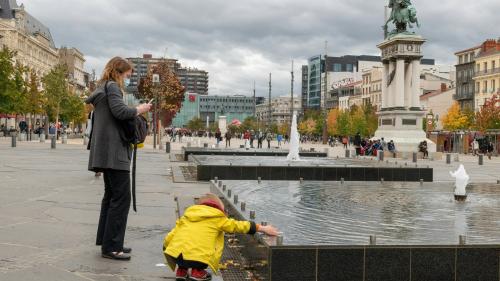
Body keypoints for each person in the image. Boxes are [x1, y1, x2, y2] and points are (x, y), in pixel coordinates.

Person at [86, 57, 152, 260]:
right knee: (121, 199)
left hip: (105, 151)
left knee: (111, 196)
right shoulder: (113, 87)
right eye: (128, 75)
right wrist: (140, 109)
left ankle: (108, 242)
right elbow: (120, 111)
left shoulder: (102, 87)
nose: (128, 79)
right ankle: (112, 247)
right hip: (115, 152)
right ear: (119, 72)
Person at [163, 193, 278, 281]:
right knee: (200, 254)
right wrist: (261, 228)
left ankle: (181, 272)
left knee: (185, 256)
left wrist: (167, 248)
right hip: (197, 257)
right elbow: (237, 225)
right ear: (219, 208)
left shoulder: (186, 217)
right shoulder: (217, 218)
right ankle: (197, 272)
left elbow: (171, 236)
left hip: (176, 255)